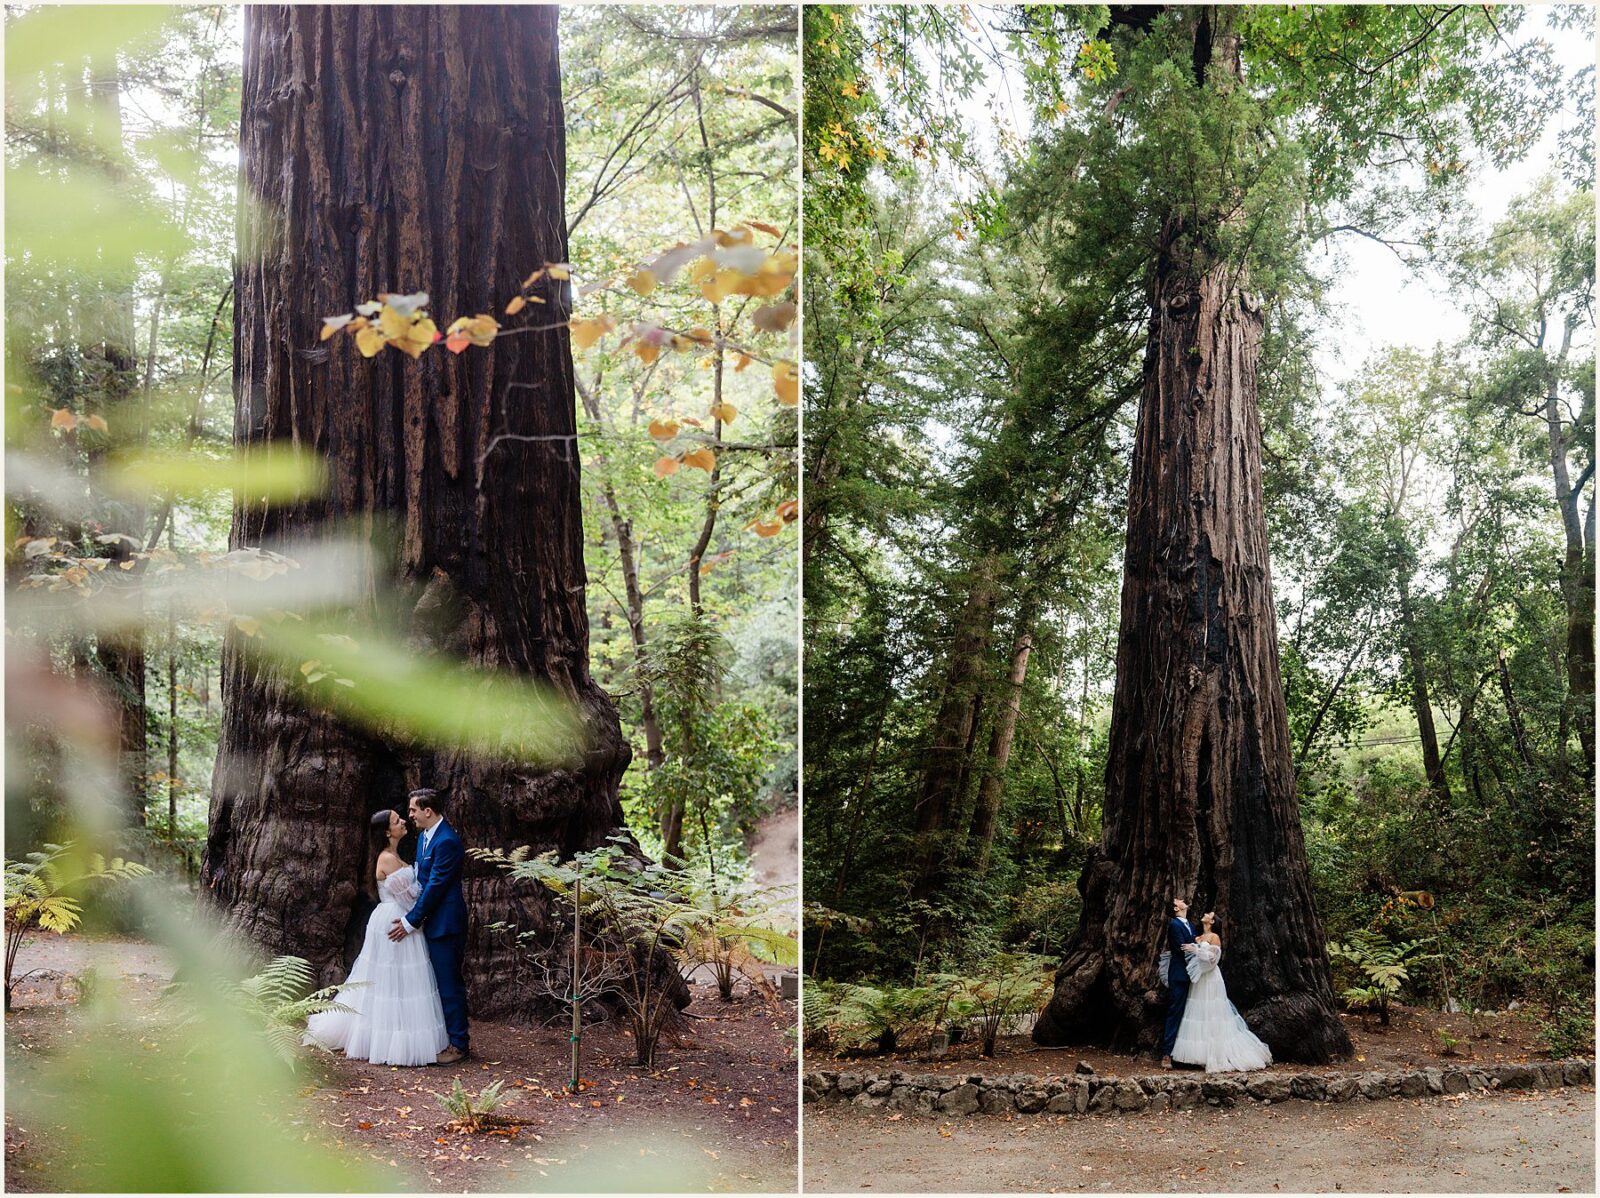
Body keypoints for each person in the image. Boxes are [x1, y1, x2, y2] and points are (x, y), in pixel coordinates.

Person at [303, 809, 449, 1066]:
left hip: (404, 920)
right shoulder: (387, 859)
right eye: (396, 821)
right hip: (395, 921)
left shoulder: (396, 856)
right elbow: (410, 897)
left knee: (403, 980)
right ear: (386, 831)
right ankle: (388, 1040)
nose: (403, 821)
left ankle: (400, 1033)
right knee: (388, 980)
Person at [387, 787, 471, 1063]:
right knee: (437, 984)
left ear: (428, 810)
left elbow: (436, 886)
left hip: (445, 924)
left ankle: (459, 1044)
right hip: (431, 923)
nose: (410, 815)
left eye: (413, 810)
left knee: (449, 984)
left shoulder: (446, 841)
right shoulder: (425, 837)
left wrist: (411, 921)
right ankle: (448, 1038)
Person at [1170, 911, 1273, 1072]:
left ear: (1211, 921)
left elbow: (1213, 959)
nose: (1204, 914)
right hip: (1199, 981)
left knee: (1212, 1013)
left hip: (1211, 978)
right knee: (1198, 1012)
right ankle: (1199, 1055)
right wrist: (1193, 948)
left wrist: (1196, 950)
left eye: (1209, 914)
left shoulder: (1214, 937)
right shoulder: (1197, 937)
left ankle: (1215, 1053)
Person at [1159, 896, 1199, 1069]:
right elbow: (1181, 948)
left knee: (1192, 1014)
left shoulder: (1189, 925)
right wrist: (1196, 948)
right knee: (1175, 1011)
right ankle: (1167, 1053)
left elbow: (1194, 944)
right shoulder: (1174, 925)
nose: (1183, 900)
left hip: (1194, 975)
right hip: (1179, 974)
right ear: (1176, 908)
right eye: (1178, 900)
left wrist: (1197, 947)